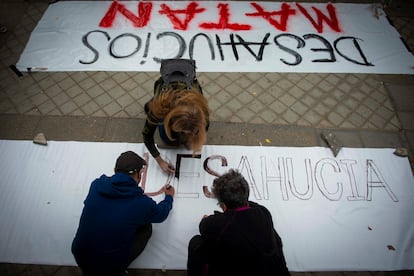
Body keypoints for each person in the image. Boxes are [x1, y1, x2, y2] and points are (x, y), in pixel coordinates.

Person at [71, 151, 175, 276]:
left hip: (80, 255)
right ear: (138, 175)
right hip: (109, 266)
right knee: (146, 227)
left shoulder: (96, 185)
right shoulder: (140, 203)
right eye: (140, 173)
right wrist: (169, 198)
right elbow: (161, 214)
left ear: (115, 170)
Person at [187, 169, 290, 276]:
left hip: (238, 266)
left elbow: (203, 226)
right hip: (271, 268)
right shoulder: (263, 212)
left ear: (223, 205)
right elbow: (251, 204)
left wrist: (207, 219)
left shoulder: (216, 223)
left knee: (196, 242)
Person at [142, 59, 209, 174]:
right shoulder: (159, 108)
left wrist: (191, 139)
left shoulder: (201, 109)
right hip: (164, 94)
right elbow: (147, 135)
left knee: (187, 139)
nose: (187, 135)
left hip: (189, 85)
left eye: (190, 132)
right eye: (183, 131)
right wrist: (160, 161)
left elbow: (205, 127)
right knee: (168, 139)